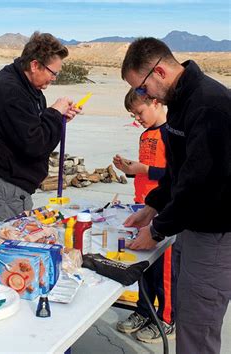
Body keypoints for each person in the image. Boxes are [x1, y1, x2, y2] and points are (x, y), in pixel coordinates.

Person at [121, 37, 231, 353]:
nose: (144, 96)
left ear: (160, 72)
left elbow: (201, 186)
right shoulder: (182, 103)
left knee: (197, 333)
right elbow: (178, 171)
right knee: (189, 321)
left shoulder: (209, 105)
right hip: (192, 230)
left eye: (142, 89)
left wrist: (156, 231)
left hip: (215, 236)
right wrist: (152, 207)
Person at [0, 31, 81, 221]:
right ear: (35, 65)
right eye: (53, 73)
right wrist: (54, 113)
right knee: (8, 244)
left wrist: (58, 120)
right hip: (3, 187)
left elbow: (36, 130)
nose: (54, 79)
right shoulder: (11, 91)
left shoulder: (29, 87)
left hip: (11, 186)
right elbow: (35, 144)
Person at [113, 88, 176, 343]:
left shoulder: (172, 133)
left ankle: (167, 318)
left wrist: (145, 169)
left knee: (165, 270)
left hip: (165, 212)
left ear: (156, 102)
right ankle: (144, 310)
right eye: (133, 114)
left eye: (139, 112)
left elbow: (173, 173)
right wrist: (129, 169)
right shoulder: (145, 134)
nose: (137, 118)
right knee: (145, 266)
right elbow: (147, 170)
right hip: (143, 207)